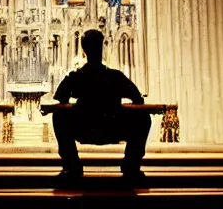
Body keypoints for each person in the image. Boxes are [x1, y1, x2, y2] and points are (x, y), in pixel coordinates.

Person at [52, 29, 151, 184]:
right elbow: (138, 99)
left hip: (83, 129)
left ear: (83, 50)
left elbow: (60, 100)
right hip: (113, 128)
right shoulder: (116, 76)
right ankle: (131, 167)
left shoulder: (76, 77)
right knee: (143, 117)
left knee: (59, 116)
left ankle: (72, 168)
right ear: (102, 47)